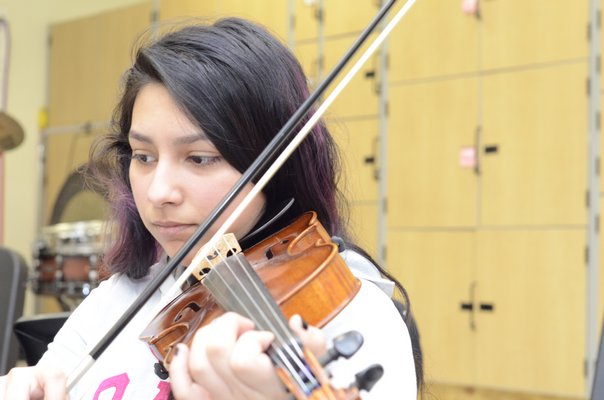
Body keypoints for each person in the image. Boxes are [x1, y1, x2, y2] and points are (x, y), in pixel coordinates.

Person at [0, 17, 422, 399]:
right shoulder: (120, 299)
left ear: (275, 165)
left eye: (200, 158)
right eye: (143, 157)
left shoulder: (353, 317)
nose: (158, 191)